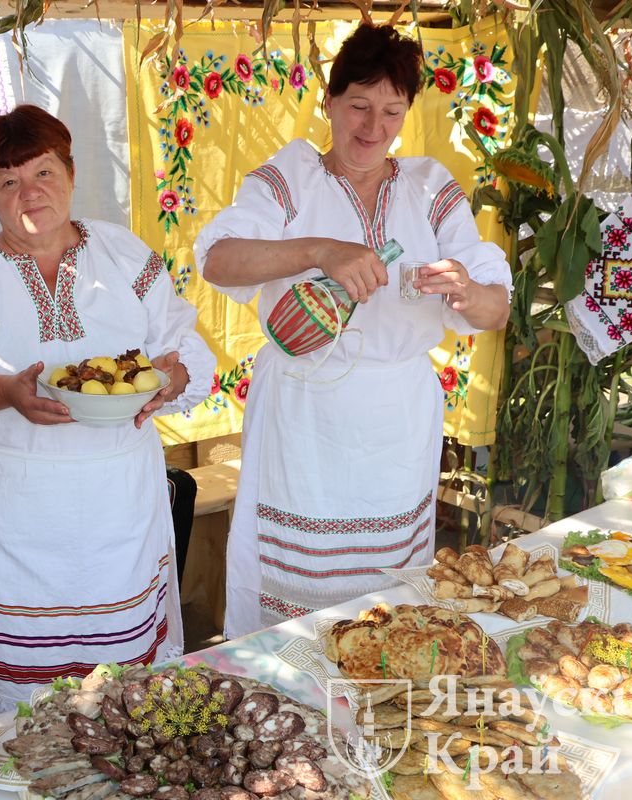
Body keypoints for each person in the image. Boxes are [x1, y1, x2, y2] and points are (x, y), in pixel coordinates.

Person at [0, 105, 216, 715]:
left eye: (43, 172)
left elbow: (188, 348)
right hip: (13, 518)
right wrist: (2, 394)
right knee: (25, 714)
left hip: (117, 514)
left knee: (124, 703)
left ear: (70, 171)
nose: (30, 193)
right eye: (8, 181)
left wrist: (165, 381)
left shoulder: (122, 256)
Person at [195, 24, 512, 638]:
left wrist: (467, 292)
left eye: (392, 111)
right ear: (330, 101)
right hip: (305, 417)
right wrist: (320, 250)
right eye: (359, 106)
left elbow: (495, 309)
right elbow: (219, 259)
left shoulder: (429, 187)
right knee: (300, 602)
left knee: (385, 604)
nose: (373, 128)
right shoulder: (289, 178)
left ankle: (375, 703)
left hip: (395, 419)